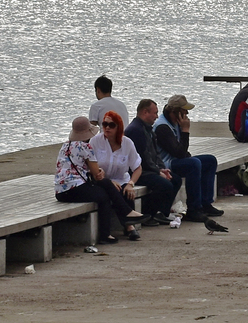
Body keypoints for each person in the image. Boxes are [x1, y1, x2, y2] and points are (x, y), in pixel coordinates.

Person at [54, 115, 130, 250]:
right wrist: (100, 171)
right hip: (75, 189)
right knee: (103, 196)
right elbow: (97, 175)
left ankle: (127, 213)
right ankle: (106, 234)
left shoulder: (65, 146)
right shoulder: (86, 147)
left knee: (104, 186)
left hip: (60, 191)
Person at [150, 94, 224, 223]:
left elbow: (183, 152)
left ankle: (206, 203)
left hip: (176, 160)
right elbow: (179, 152)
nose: (187, 113)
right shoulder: (162, 127)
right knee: (193, 164)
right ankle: (194, 209)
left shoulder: (174, 123)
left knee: (210, 160)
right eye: (184, 110)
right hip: (165, 165)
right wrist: (185, 130)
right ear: (175, 112)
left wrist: (182, 130)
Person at [89, 110, 144, 240]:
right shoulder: (95, 141)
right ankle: (129, 225)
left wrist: (131, 183)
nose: (107, 128)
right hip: (101, 180)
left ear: (118, 127)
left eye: (111, 125)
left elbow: (137, 168)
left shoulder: (127, 143)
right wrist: (107, 180)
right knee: (114, 189)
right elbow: (90, 166)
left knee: (127, 190)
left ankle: (129, 224)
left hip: (121, 178)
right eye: (104, 124)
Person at [125, 98, 180, 223]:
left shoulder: (148, 128)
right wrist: (158, 172)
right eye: (154, 113)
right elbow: (143, 159)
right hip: (138, 171)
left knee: (174, 179)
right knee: (164, 184)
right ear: (145, 112)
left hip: (149, 168)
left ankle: (162, 212)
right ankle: (148, 214)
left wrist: (162, 169)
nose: (156, 116)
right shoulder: (136, 130)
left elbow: (155, 154)